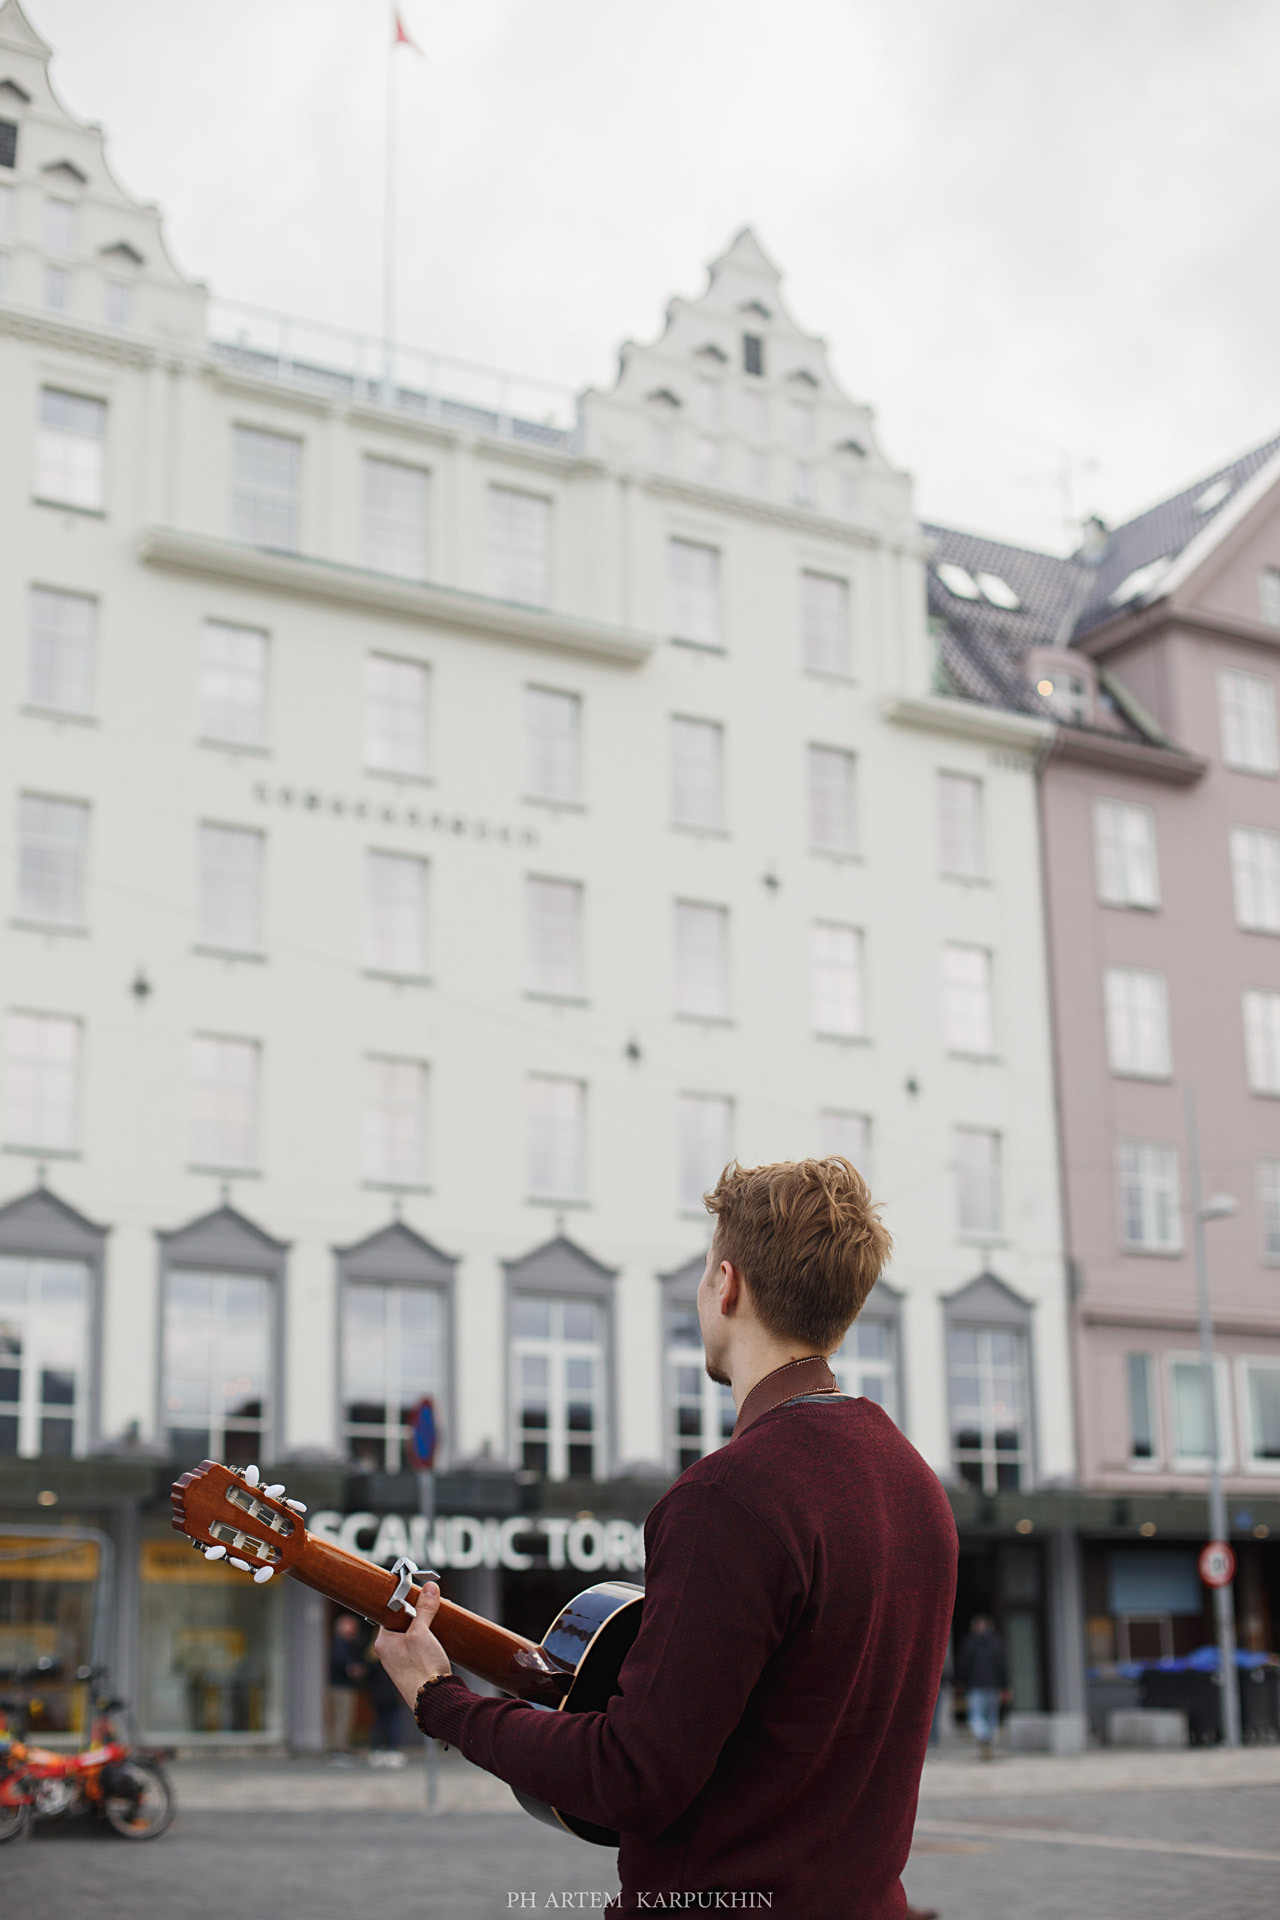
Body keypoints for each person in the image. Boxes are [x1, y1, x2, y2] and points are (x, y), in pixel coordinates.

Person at [377, 1157, 958, 1919]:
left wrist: (439, 1700)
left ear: (728, 1284)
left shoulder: (731, 1494)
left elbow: (634, 1777)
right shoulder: (915, 1484)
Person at [954, 1614, 1008, 1760]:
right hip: (991, 1685)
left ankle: (984, 1738)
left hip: (977, 1685)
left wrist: (961, 1682)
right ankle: (987, 1740)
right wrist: (1004, 1684)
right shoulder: (996, 1642)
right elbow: (1002, 1666)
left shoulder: (969, 1643)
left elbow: (962, 1666)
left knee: (977, 1716)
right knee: (990, 1717)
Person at [326, 1613, 366, 1762]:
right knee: (341, 1717)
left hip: (343, 1685)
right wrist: (353, 1669)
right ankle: (338, 1748)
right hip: (341, 1686)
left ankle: (339, 1746)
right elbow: (341, 1663)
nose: (354, 1628)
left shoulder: (349, 1643)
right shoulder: (340, 1644)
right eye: (351, 1625)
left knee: (343, 1717)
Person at [365, 1645, 407, 1768]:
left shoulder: (373, 1662)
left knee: (379, 1723)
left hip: (378, 1696)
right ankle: (391, 1750)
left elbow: (368, 1680)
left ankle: (375, 1751)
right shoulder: (395, 1662)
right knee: (393, 1723)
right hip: (392, 1696)